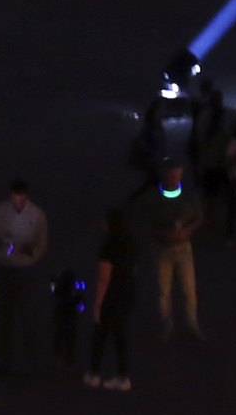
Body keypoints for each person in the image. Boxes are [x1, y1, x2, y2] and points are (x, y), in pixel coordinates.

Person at [0, 176, 48, 375]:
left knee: (28, 317)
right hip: (4, 268)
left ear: (26, 195)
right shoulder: (1, 211)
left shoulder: (36, 215)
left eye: (20, 196)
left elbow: (41, 243)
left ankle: (32, 364)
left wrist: (30, 251)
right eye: (14, 195)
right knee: (4, 318)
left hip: (24, 270)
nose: (16, 199)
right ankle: (4, 363)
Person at [140, 162, 206, 340]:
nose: (173, 179)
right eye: (170, 175)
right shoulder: (153, 197)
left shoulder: (189, 196)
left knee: (189, 289)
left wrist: (188, 230)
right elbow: (144, 223)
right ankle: (166, 323)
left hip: (184, 249)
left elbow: (199, 217)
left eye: (176, 175)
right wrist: (163, 233)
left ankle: (192, 323)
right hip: (161, 249)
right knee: (163, 290)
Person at [82, 199, 139, 390]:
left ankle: (94, 373)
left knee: (99, 335)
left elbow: (104, 278)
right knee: (120, 336)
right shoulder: (130, 242)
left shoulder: (108, 246)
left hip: (111, 296)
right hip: (126, 292)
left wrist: (97, 304)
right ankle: (123, 376)